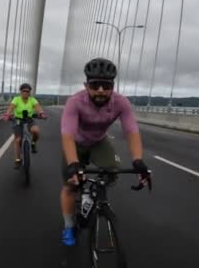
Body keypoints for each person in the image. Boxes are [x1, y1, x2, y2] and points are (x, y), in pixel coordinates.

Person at [59, 57, 150, 246]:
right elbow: (67, 134)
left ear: (113, 85)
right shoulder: (75, 102)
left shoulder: (121, 102)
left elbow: (131, 131)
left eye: (106, 85)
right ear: (86, 85)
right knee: (71, 184)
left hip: (99, 142)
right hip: (75, 142)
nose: (101, 90)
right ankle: (68, 226)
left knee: (112, 171)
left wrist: (138, 161)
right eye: (95, 85)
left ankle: (90, 194)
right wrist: (74, 164)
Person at [3, 83, 46, 168]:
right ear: (21, 91)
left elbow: (38, 107)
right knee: (18, 139)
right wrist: (7, 114)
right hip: (18, 120)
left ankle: (33, 143)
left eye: (28, 91)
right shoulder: (16, 99)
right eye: (24, 91)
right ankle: (17, 159)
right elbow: (11, 108)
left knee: (36, 131)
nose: (26, 92)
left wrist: (41, 113)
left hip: (29, 119)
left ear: (30, 92)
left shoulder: (32, 100)